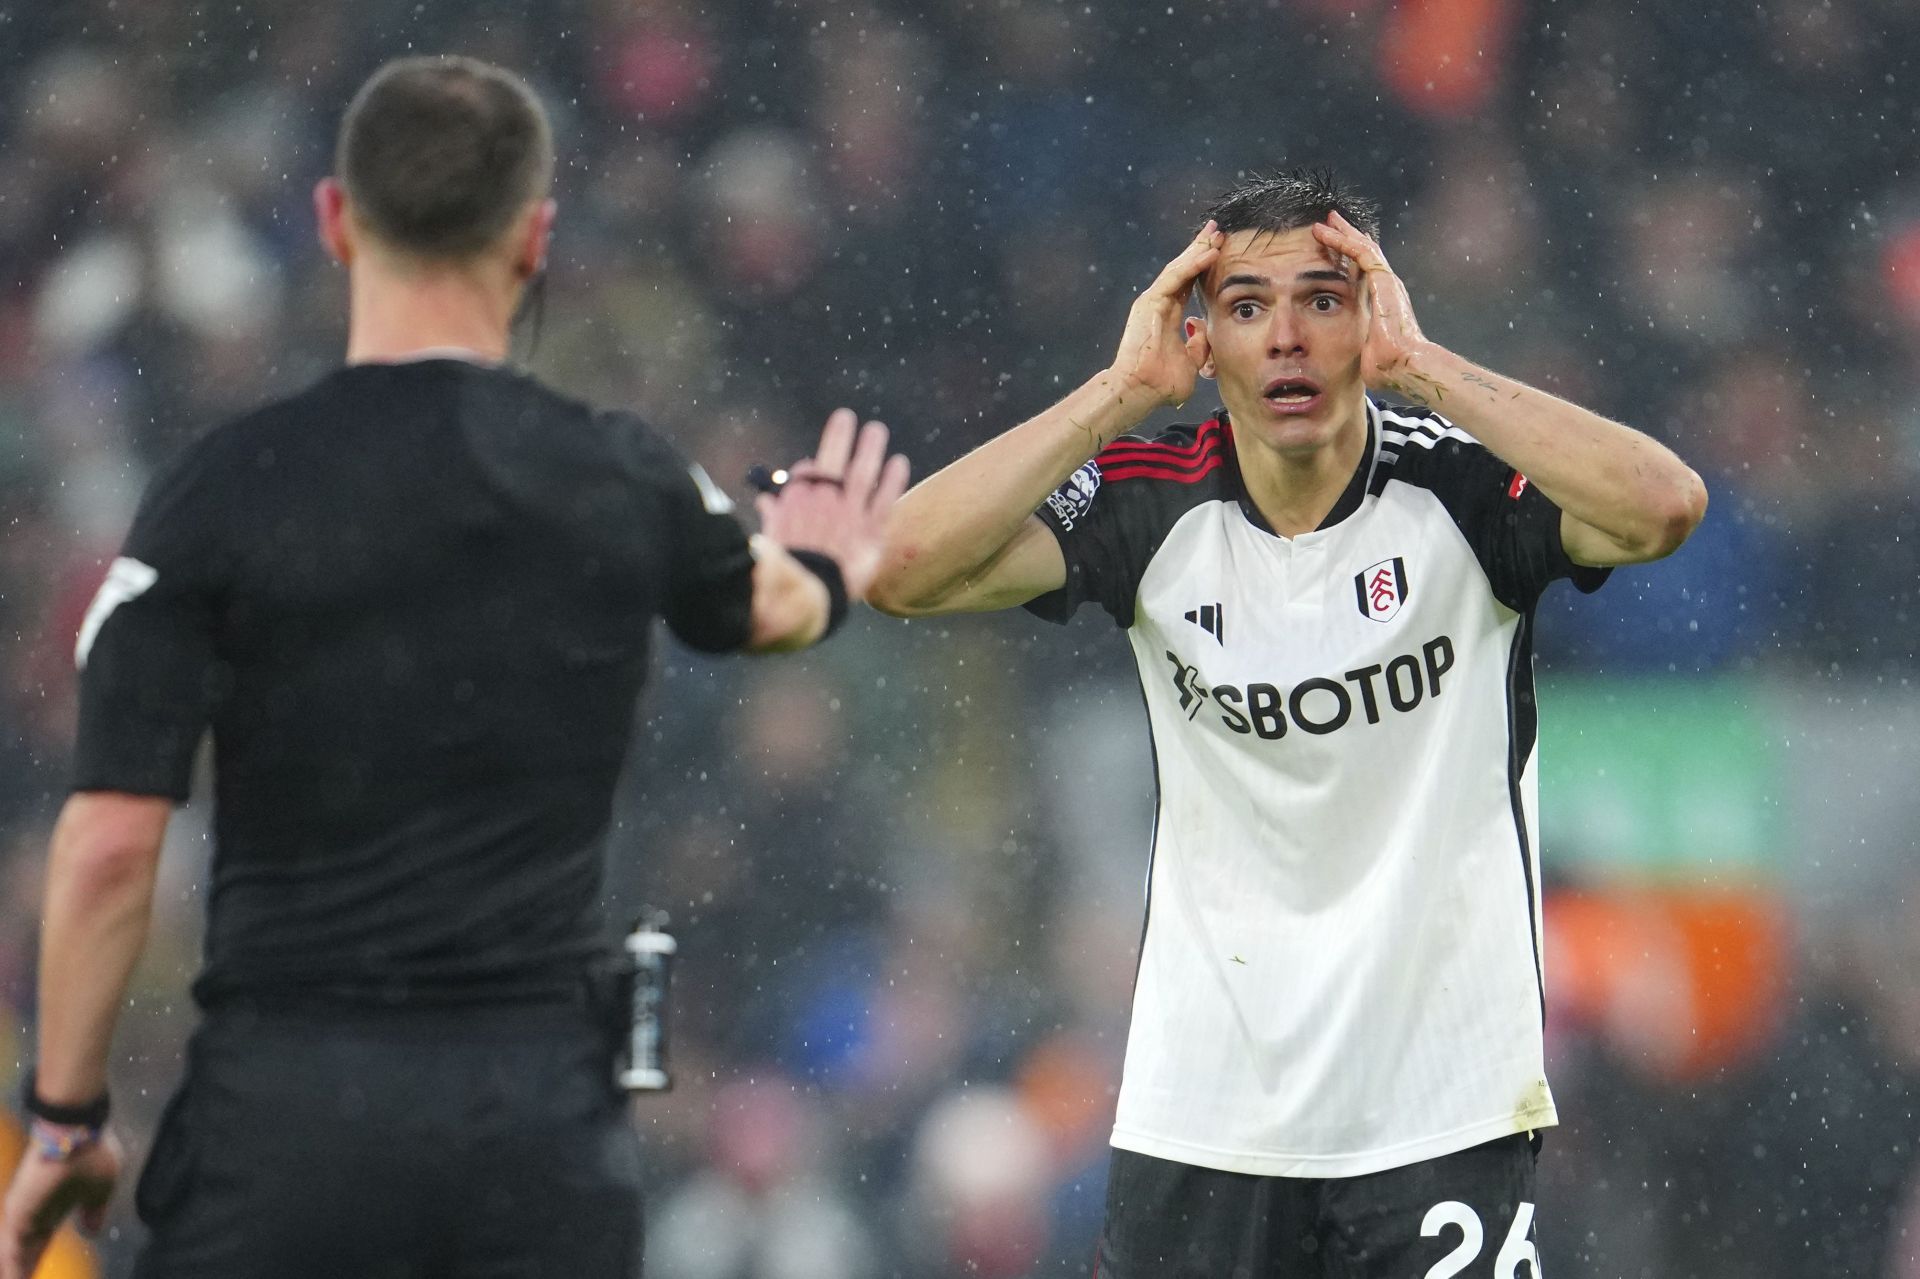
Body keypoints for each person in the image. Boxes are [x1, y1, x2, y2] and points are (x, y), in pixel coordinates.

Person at [0, 55, 905, 1279]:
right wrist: (834, 557)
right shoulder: (619, 473)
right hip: (531, 1136)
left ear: (334, 222)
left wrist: (64, 1118)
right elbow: (777, 604)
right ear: (533, 239)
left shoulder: (217, 493)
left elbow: (109, 843)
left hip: (282, 1135)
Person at [868, 170, 1707, 1276]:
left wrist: (1429, 371)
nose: (1287, 340)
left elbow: (1663, 507)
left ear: (1370, 319)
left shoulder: (1461, 493)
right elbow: (898, 567)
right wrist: (1120, 391)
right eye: (1248, 306)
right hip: (1206, 1104)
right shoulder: (1148, 501)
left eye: (1323, 298)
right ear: (1203, 336)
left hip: (1437, 1108)